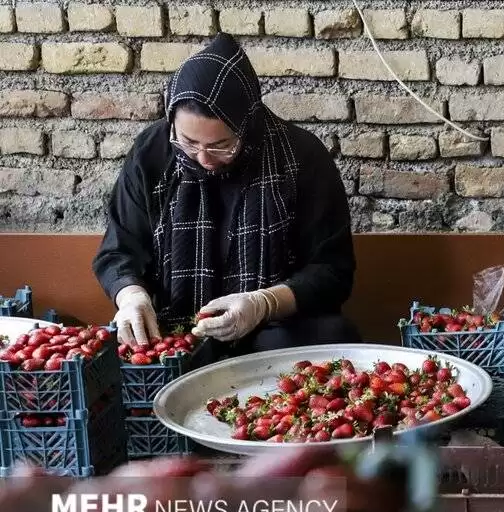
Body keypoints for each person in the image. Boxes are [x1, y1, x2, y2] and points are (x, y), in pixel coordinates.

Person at [93, 32, 359, 355]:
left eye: (220, 146)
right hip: (177, 330)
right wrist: (131, 296)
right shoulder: (153, 154)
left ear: (246, 125)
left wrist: (264, 303)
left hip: (271, 332)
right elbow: (118, 251)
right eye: (189, 143)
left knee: (333, 333)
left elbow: (333, 270)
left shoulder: (299, 157)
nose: (203, 160)